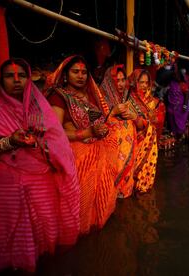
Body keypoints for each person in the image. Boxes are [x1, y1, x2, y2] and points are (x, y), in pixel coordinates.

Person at [0, 58, 80, 272]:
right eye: (10, 76)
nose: (16, 81)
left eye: (22, 76)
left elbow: (58, 144)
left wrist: (41, 145)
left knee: (40, 240)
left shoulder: (42, 110)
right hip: (4, 184)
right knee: (5, 244)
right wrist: (10, 141)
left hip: (40, 180)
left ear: (29, 79)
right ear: (1, 80)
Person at [44, 55, 122, 234]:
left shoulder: (91, 96)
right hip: (76, 153)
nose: (80, 76)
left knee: (100, 200)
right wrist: (86, 133)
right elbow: (55, 133)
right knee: (82, 202)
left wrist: (102, 129)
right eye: (75, 72)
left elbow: (100, 121)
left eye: (84, 72)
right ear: (65, 75)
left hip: (99, 149)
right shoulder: (59, 96)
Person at [99, 65, 157, 197]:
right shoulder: (104, 98)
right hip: (114, 150)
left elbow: (146, 121)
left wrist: (137, 118)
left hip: (138, 144)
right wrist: (115, 113)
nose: (143, 85)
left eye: (123, 79)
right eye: (140, 82)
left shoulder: (127, 97)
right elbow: (99, 124)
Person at [166, 66, 189, 142]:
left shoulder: (182, 84)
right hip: (171, 108)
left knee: (180, 126)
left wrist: (185, 105)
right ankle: (175, 139)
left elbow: (187, 95)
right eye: (174, 75)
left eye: (177, 75)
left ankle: (179, 138)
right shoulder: (170, 83)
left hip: (180, 109)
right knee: (173, 125)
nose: (176, 76)